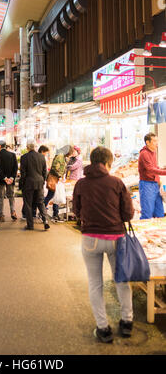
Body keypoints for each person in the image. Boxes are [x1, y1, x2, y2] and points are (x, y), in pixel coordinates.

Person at [73, 146, 134, 343]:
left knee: (95, 283)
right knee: (122, 281)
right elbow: (128, 214)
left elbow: (76, 210)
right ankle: (126, 322)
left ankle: (103, 328)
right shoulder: (117, 182)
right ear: (108, 163)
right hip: (116, 238)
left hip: (90, 239)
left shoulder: (81, 184)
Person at [20, 141, 50, 231]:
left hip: (28, 183)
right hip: (39, 183)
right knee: (40, 203)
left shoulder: (24, 157)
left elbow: (23, 173)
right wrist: (43, 180)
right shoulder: (41, 157)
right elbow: (45, 171)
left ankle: (30, 225)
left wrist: (22, 183)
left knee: (28, 204)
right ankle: (45, 222)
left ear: (27, 148)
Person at [138, 132, 166, 219]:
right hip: (147, 185)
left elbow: (154, 167)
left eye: (157, 141)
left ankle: (160, 232)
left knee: (160, 212)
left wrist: (162, 169)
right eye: (154, 141)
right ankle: (143, 232)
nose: (156, 144)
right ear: (147, 142)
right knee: (147, 213)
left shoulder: (153, 152)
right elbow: (150, 169)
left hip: (155, 184)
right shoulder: (144, 153)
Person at [44, 145, 73, 221]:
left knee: (53, 195)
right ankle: (45, 211)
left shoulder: (61, 155)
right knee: (51, 195)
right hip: (55, 178)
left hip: (56, 178)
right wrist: (60, 176)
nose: (70, 154)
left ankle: (53, 213)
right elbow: (55, 168)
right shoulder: (60, 156)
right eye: (70, 152)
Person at [0, 140, 18, 222]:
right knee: (11, 196)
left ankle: (1, 216)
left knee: (0, 196)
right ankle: (13, 212)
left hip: (1, 180)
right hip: (11, 180)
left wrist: (4, 178)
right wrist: (11, 178)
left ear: (0, 146)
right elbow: (15, 167)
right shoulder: (12, 155)